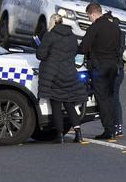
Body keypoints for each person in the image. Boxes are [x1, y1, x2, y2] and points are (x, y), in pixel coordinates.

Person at [36, 14, 87, 143]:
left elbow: (40, 55)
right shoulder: (72, 36)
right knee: (69, 104)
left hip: (53, 74)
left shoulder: (49, 35)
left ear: (52, 22)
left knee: (56, 105)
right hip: (69, 73)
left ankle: (60, 135)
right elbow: (74, 53)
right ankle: (78, 133)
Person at [79, 2, 121, 140]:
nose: (89, 19)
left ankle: (108, 130)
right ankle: (114, 127)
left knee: (102, 99)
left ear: (93, 13)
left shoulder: (95, 27)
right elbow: (120, 46)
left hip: (100, 67)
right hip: (114, 66)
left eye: (88, 16)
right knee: (110, 97)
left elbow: (83, 47)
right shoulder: (115, 27)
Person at [108, 12, 126, 137]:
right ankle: (117, 126)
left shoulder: (114, 36)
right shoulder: (121, 35)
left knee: (113, 98)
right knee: (115, 97)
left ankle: (116, 126)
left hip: (114, 69)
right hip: (119, 69)